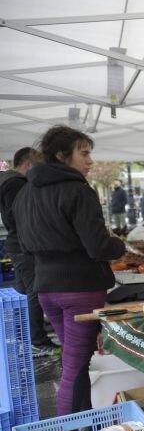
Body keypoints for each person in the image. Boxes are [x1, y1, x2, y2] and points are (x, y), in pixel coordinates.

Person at [12, 126, 126, 415]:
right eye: (84, 154)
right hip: (80, 290)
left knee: (73, 361)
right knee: (74, 368)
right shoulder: (77, 190)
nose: (90, 161)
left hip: (46, 287)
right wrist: (118, 245)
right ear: (62, 156)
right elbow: (98, 247)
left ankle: (82, 425)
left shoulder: (25, 193)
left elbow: (23, 244)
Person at [0, 147, 59, 355]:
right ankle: (37, 340)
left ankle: (28, 337)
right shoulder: (16, 184)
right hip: (23, 245)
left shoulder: (10, 182)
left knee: (26, 290)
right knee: (35, 290)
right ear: (28, 164)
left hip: (19, 243)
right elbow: (18, 217)